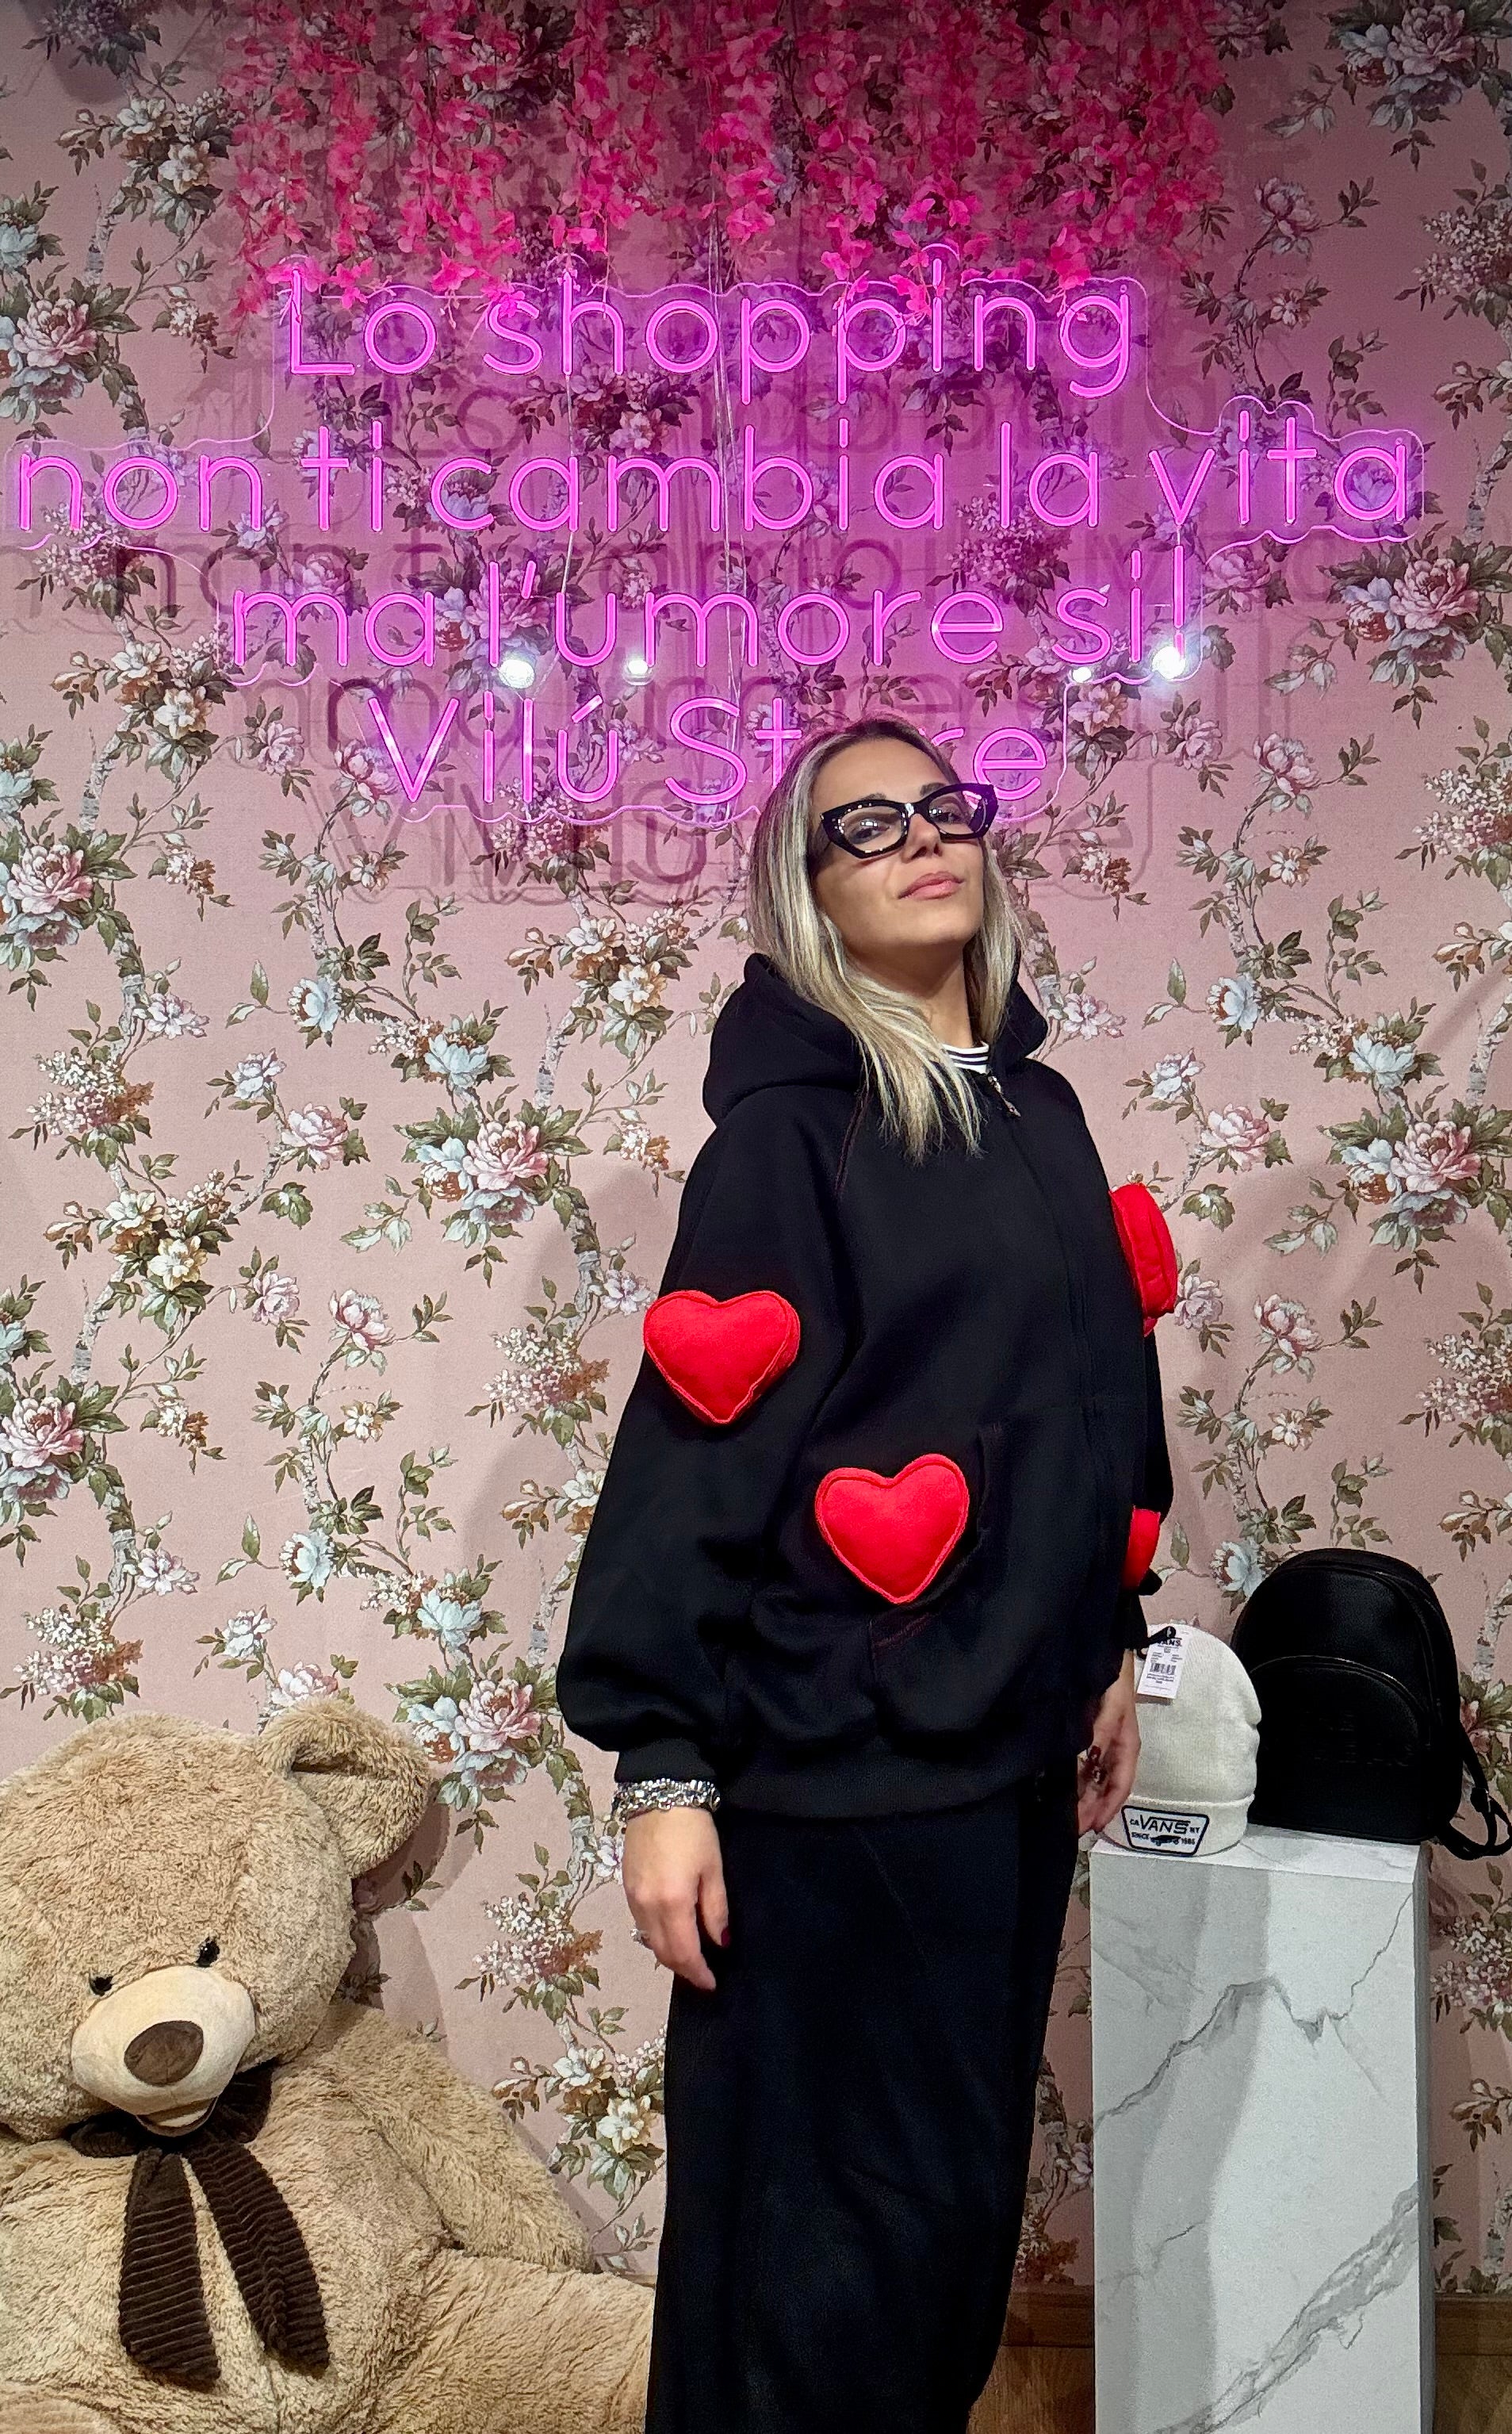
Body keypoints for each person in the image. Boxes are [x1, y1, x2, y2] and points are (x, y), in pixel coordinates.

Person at [554, 714, 1174, 2434]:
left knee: (943, 2246)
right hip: (832, 1787)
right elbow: (698, 1452)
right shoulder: (789, 1142)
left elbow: (1082, 1405)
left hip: (1005, 1776)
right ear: (808, 895)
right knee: (811, 2269)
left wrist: (1110, 1641)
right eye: (866, 825)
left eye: (944, 807)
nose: (924, 837)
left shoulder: (1042, 1114)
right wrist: (663, 1763)